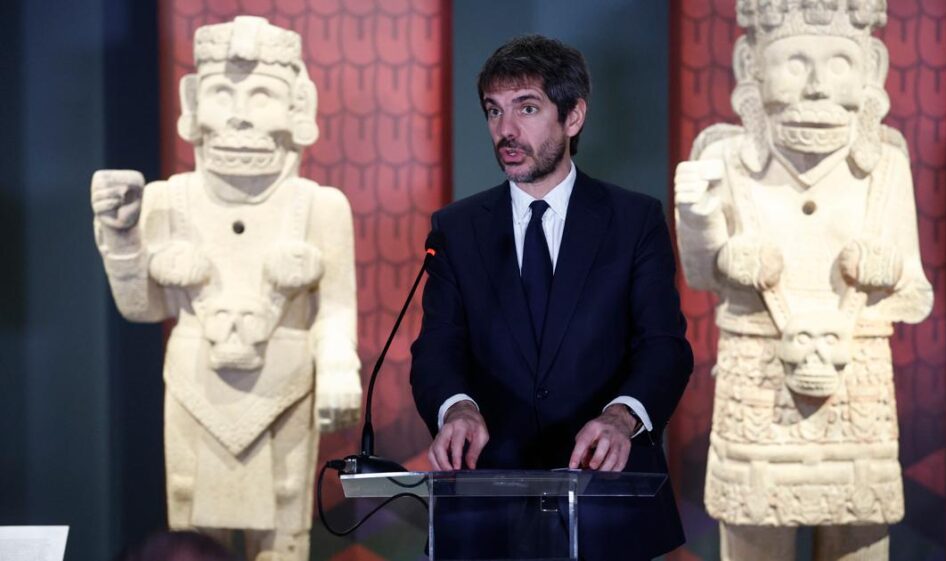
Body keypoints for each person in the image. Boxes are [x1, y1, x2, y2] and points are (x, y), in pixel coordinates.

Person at [410, 35, 693, 560]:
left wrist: (620, 418)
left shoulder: (634, 220)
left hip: (605, 499)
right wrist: (459, 408)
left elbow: (664, 346)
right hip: (483, 501)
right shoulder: (456, 228)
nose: (506, 131)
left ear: (574, 116)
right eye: (494, 112)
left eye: (527, 108)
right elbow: (436, 348)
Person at [91, 16, 361, 561]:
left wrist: (338, 368)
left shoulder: (320, 206)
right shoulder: (169, 201)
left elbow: (335, 310)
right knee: (193, 534)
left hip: (284, 390)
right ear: (192, 102)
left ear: (298, 106)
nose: (239, 114)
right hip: (194, 390)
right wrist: (120, 239)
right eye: (221, 93)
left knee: (284, 536)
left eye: (262, 95)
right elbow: (142, 308)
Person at [674, 1, 933, 559]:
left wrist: (888, 271)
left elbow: (916, 295)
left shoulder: (886, 163)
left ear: (872, 69)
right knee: (752, 536)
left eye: (838, 64)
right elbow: (699, 274)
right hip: (757, 384)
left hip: (856, 389)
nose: (816, 87)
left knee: (859, 535)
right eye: (795, 63)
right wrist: (709, 236)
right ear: (752, 64)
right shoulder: (724, 156)